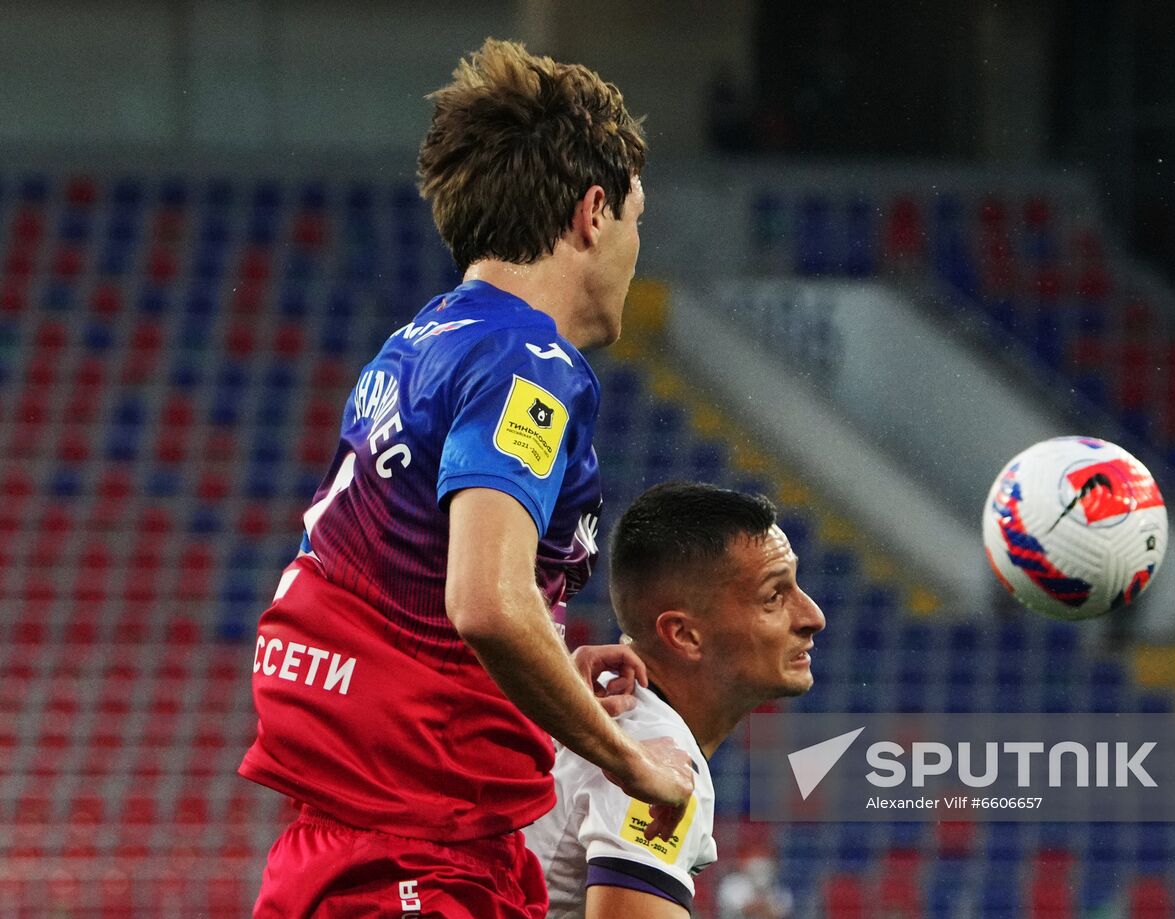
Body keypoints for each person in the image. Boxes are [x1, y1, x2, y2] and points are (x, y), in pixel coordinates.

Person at [238, 39, 693, 918]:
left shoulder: (422, 343)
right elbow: (484, 601)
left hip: (351, 844)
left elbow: (414, 591)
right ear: (591, 213)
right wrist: (625, 758)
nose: (637, 250)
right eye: (638, 220)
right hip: (414, 857)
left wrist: (549, 663)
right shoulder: (528, 363)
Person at [524, 482, 826, 918]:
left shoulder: (593, 705)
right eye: (774, 596)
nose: (812, 616)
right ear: (683, 635)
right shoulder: (656, 756)